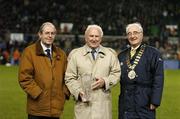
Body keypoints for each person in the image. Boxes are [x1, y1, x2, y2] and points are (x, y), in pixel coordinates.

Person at [65, 24, 120, 119]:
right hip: (83, 107)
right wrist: (78, 92)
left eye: (96, 36)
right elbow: (69, 78)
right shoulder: (75, 55)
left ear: (101, 38)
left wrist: (105, 81)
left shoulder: (110, 54)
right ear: (86, 38)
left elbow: (116, 74)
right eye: (91, 36)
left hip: (103, 108)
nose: (94, 39)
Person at [18, 22, 70, 119]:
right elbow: (24, 77)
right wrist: (39, 94)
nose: (50, 36)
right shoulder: (29, 52)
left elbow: (68, 77)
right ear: (40, 34)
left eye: (52, 33)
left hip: (56, 109)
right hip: (37, 109)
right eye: (47, 33)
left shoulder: (61, 54)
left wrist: (64, 94)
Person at [118, 22, 164, 119]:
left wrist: (155, 101)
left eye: (135, 32)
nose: (132, 36)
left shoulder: (153, 53)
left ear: (141, 34)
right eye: (129, 33)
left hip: (145, 101)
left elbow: (158, 78)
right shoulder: (121, 55)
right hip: (125, 101)